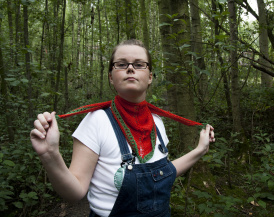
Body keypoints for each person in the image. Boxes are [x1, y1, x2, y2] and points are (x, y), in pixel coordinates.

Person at [30, 39, 215, 217]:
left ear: (150, 77)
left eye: (139, 64)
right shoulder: (96, 121)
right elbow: (75, 192)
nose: (130, 68)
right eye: (121, 64)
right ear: (111, 77)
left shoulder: (157, 122)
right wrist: (50, 154)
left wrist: (200, 150)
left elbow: (163, 173)